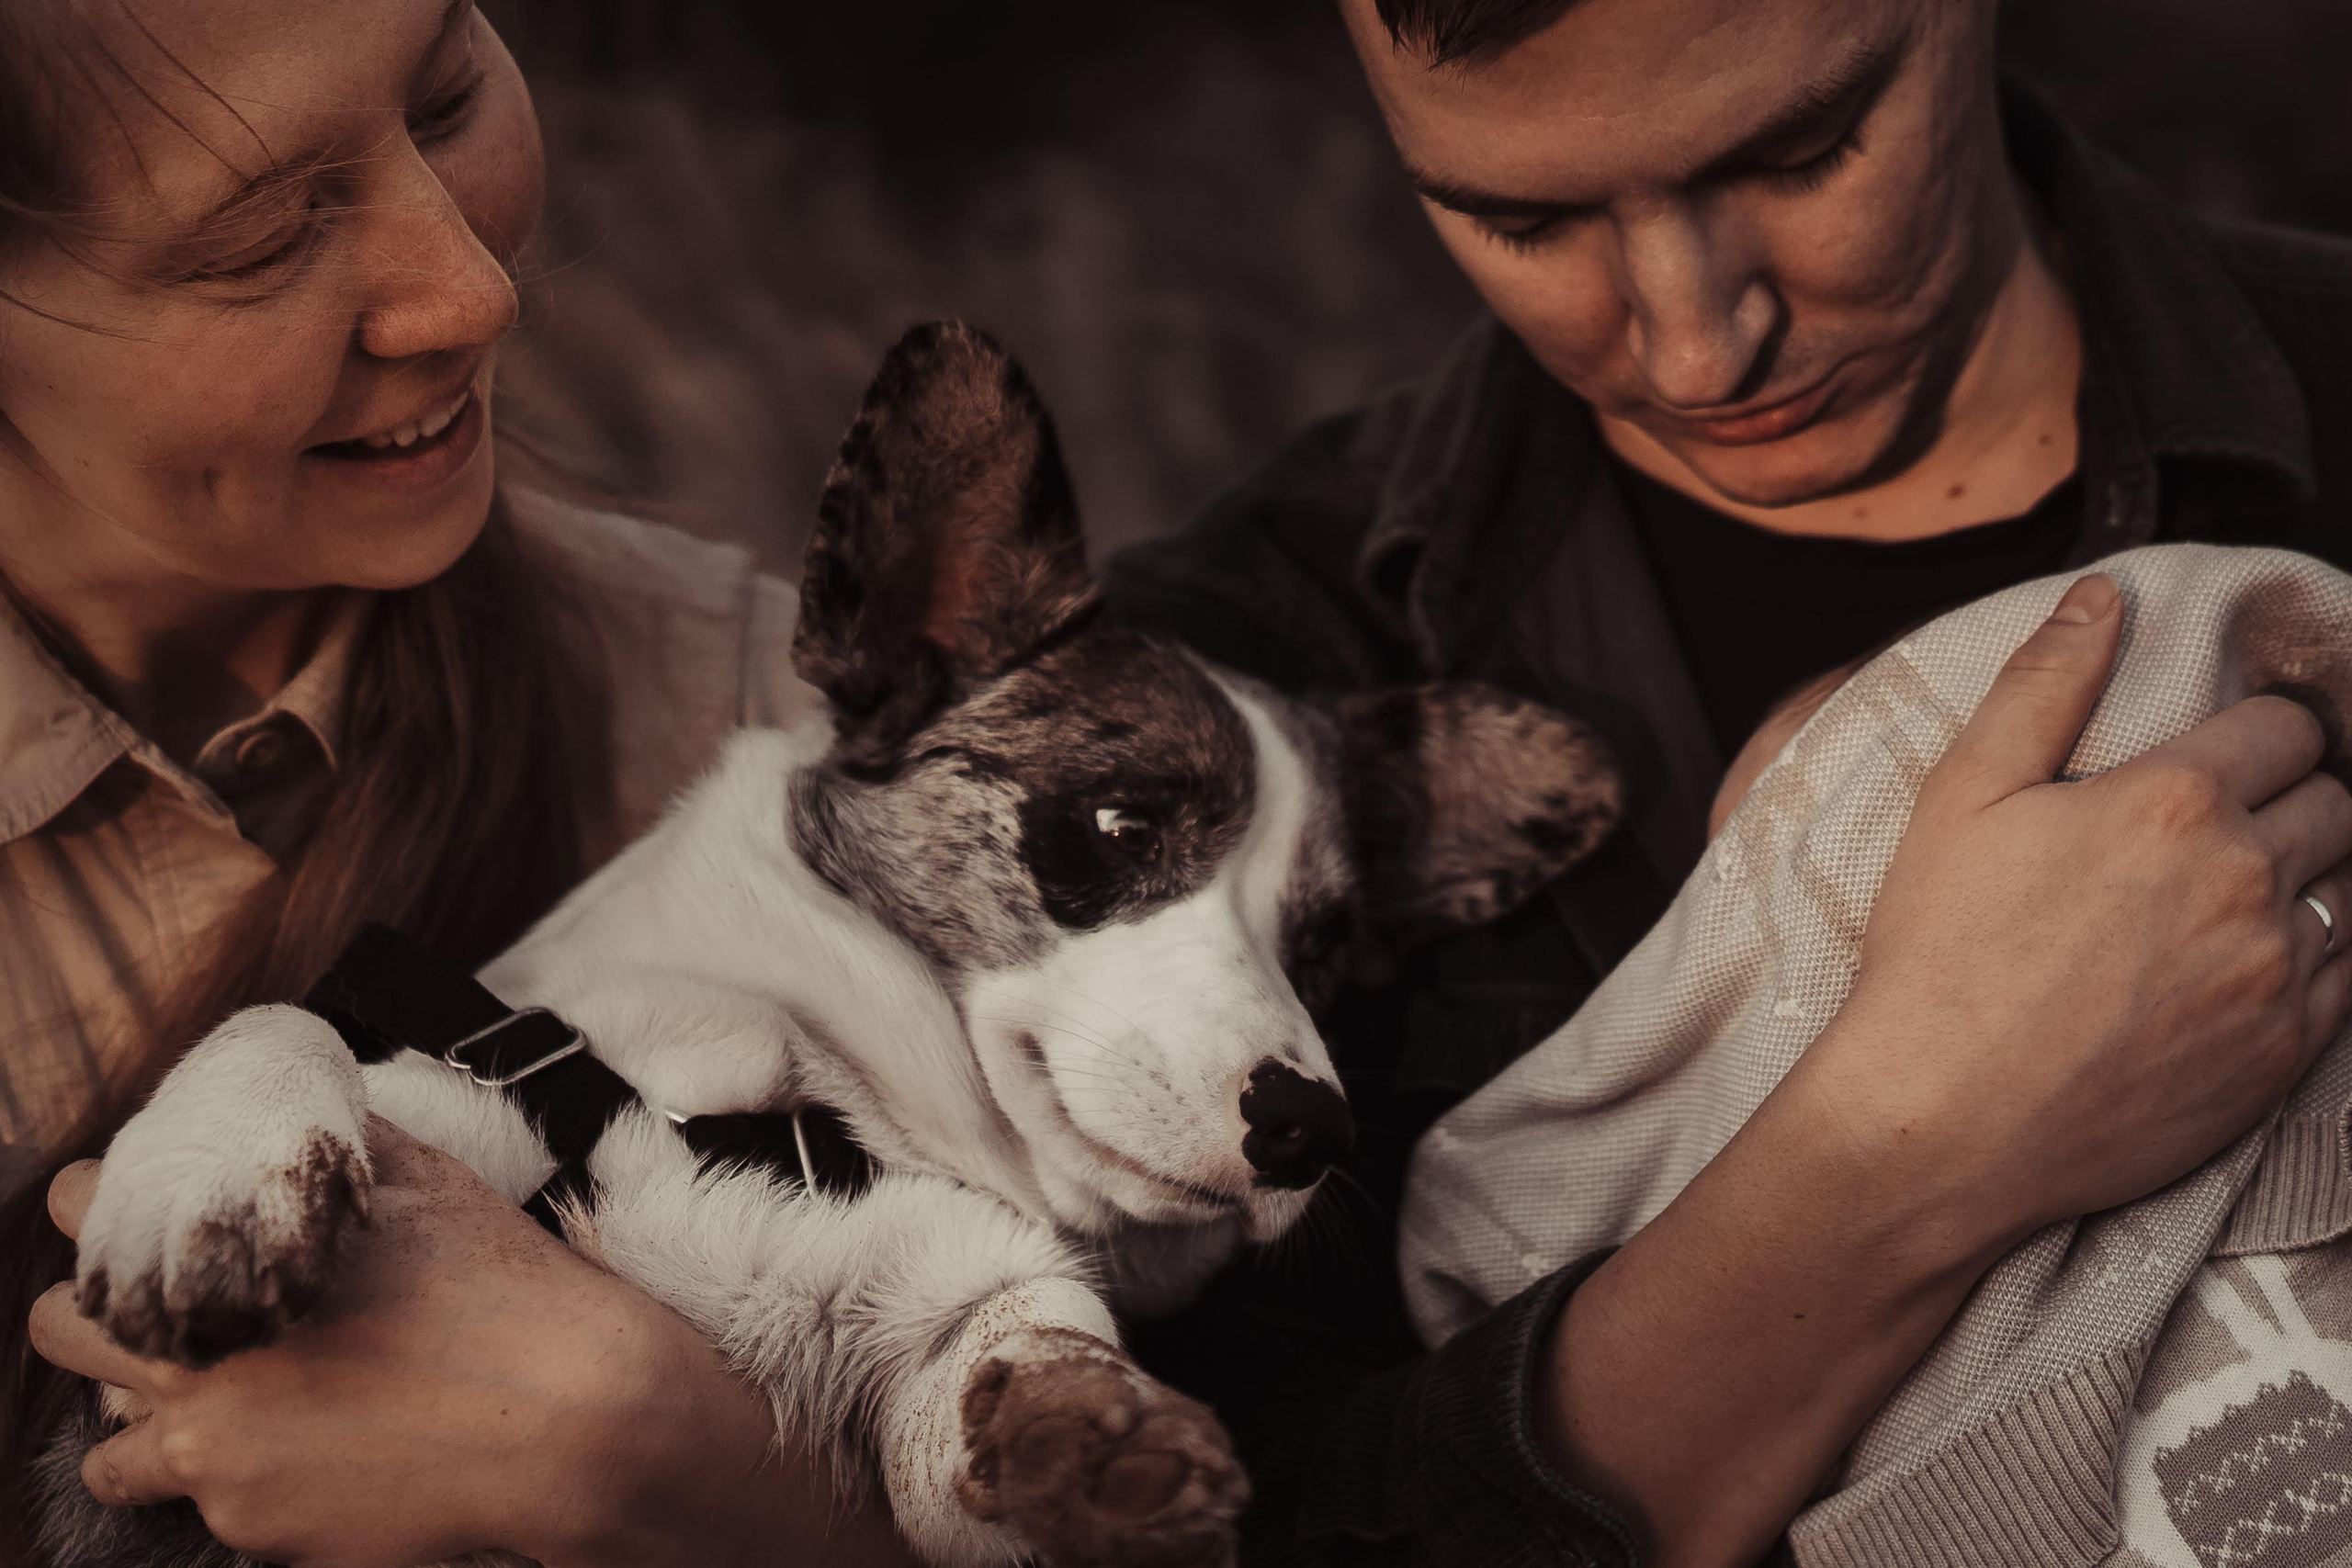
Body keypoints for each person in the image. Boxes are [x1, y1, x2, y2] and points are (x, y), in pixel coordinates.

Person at [1103, 1, 2352, 1565]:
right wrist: (1925, 1134)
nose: (1698, 344)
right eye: (1522, 220)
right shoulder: (1190, 712)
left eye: (1801, 153)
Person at [0, 2, 920, 1562]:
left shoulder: (763, 736)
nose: (476, 290)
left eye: (444, 95)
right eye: (260, 239)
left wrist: (692, 1467)